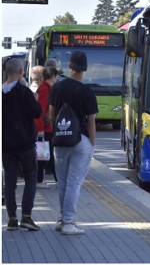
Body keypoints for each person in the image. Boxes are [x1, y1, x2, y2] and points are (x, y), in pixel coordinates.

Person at [48, 51, 98, 235]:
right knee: (74, 182)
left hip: (60, 139)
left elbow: (51, 115)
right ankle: (68, 222)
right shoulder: (87, 92)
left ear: (70, 66)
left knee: (62, 182)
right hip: (80, 140)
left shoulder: (57, 88)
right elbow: (91, 122)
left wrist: (57, 133)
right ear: (85, 69)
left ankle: (62, 219)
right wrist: (92, 144)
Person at [2, 58, 42, 231]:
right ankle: (26, 216)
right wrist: (35, 98)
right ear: (20, 72)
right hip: (25, 144)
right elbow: (37, 112)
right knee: (30, 177)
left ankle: (11, 219)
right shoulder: (24, 92)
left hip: (5, 145)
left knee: (10, 180)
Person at [35, 66, 58, 186]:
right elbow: (41, 110)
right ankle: (39, 179)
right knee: (43, 154)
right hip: (44, 128)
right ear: (53, 76)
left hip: (46, 127)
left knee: (45, 153)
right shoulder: (45, 89)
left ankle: (43, 178)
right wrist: (40, 128)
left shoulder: (46, 88)